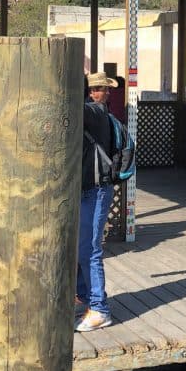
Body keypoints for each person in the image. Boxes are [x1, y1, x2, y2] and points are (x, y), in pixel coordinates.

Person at [76, 70, 118, 332]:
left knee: (90, 251)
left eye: (103, 88)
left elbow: (74, 109)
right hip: (86, 188)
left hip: (97, 189)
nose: (101, 92)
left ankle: (100, 309)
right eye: (96, 88)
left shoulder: (96, 112)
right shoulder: (93, 111)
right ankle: (84, 297)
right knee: (81, 249)